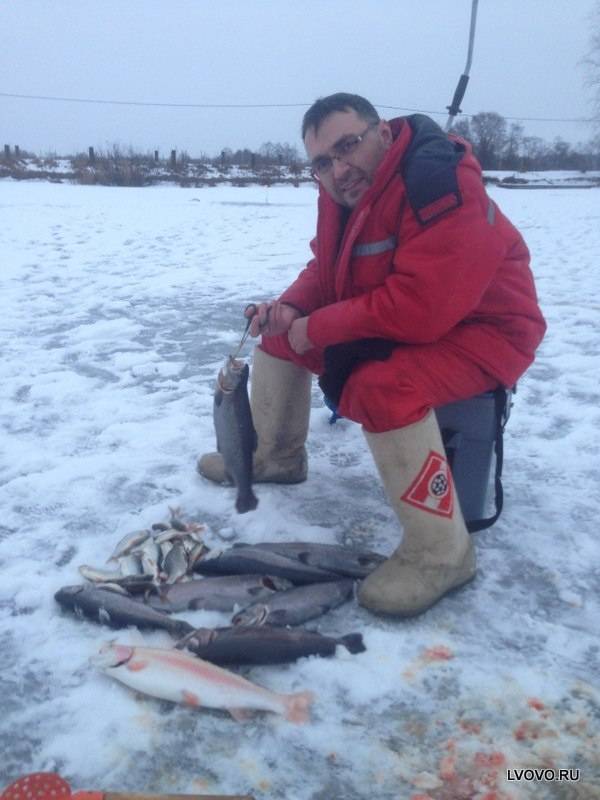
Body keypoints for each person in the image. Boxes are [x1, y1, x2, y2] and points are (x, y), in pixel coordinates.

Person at [199, 93, 546, 617]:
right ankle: (277, 458)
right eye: (322, 161)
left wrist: (319, 327)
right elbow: (328, 268)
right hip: (409, 323)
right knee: (278, 337)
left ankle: (443, 552)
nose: (338, 169)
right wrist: (291, 308)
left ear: (382, 134)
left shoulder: (439, 184)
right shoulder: (343, 193)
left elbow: (422, 307)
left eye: (348, 146)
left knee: (381, 387)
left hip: (486, 331)